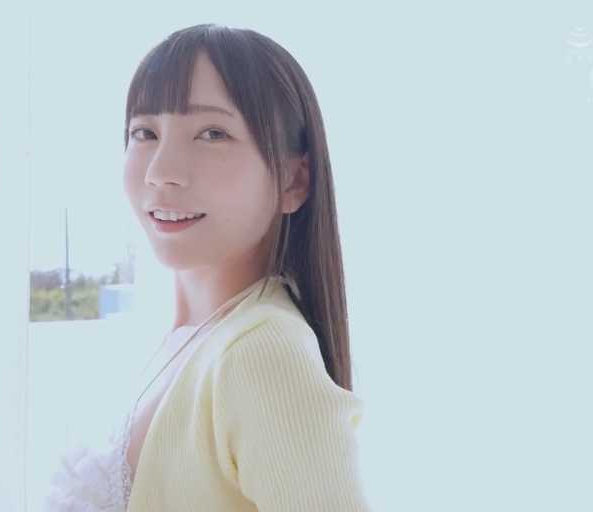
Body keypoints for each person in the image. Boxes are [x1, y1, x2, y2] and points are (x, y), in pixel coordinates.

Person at [47, 23, 371, 512]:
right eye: (144, 132)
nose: (161, 171)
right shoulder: (185, 338)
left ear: (294, 180)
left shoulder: (262, 352)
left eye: (212, 133)